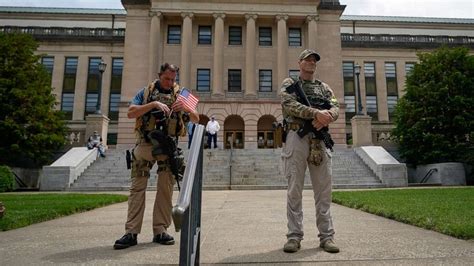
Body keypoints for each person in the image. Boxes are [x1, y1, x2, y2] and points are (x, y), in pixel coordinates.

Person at [113, 63, 199, 250]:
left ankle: (160, 230)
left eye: (173, 79)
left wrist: (186, 107)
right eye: (166, 78)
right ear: (160, 75)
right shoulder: (146, 93)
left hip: (168, 147)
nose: (169, 82)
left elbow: (197, 118)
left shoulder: (183, 93)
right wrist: (152, 104)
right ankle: (131, 232)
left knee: (165, 190)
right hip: (145, 144)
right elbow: (130, 112)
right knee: (137, 189)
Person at [280, 49, 340, 254]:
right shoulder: (290, 84)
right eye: (308, 59)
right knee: (294, 189)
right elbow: (288, 104)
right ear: (300, 63)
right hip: (297, 137)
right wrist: (315, 113)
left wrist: (328, 116)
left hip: (320, 140)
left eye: (314, 60)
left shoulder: (325, 88)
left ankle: (327, 236)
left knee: (323, 191)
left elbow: (335, 106)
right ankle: (294, 237)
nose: (312, 62)